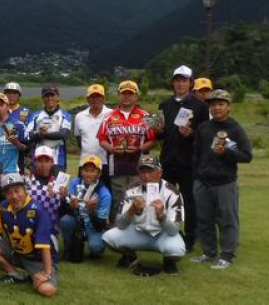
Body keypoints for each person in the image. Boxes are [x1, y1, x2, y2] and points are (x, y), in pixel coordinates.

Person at [190, 89, 253, 270]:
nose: (216, 108)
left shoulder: (234, 128)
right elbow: (196, 154)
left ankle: (227, 255)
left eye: (220, 104)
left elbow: (247, 156)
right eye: (212, 104)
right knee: (204, 219)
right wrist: (197, 176)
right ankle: (209, 253)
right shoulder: (203, 128)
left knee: (227, 219)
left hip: (225, 182)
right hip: (202, 182)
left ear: (228, 107)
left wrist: (226, 152)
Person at [155, 65, 209, 252]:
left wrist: (191, 133)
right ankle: (166, 232)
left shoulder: (200, 106)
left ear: (190, 83)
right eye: (177, 80)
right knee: (166, 199)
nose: (180, 83)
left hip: (189, 161)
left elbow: (205, 135)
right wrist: (157, 131)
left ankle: (190, 238)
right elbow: (161, 135)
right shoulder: (165, 105)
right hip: (168, 160)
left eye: (184, 80)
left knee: (189, 201)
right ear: (173, 82)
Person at [0, 173, 58, 297]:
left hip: (36, 259)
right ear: (4, 194)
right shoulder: (3, 207)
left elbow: (44, 246)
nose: (14, 196)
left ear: (25, 189)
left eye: (17, 191)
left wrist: (47, 273)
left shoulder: (38, 210)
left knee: (47, 290)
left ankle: (40, 273)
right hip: (16, 253)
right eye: (9, 193)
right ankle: (15, 274)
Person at [102, 155, 185, 275]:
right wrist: (131, 210)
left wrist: (161, 216)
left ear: (160, 172)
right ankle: (130, 257)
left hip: (162, 234)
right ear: (138, 173)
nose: (146, 176)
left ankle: (168, 261)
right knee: (108, 238)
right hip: (138, 232)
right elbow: (119, 224)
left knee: (177, 250)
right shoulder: (130, 190)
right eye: (143, 171)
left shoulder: (172, 193)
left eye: (150, 171)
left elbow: (174, 231)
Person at [98, 80, 156, 222]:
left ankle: (138, 232)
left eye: (130, 94)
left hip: (139, 167)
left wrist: (139, 149)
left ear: (136, 96)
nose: (127, 97)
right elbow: (101, 139)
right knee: (118, 200)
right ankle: (116, 234)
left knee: (139, 199)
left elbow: (152, 140)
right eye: (124, 93)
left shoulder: (146, 116)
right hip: (116, 166)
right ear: (119, 95)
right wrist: (111, 148)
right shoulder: (108, 117)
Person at [58, 155, 112, 261]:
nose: (88, 174)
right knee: (65, 220)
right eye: (85, 170)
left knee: (96, 248)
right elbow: (68, 210)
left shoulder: (105, 193)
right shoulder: (75, 182)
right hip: (78, 220)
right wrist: (71, 206)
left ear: (99, 174)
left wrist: (92, 211)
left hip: (94, 226)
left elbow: (100, 225)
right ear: (81, 171)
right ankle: (68, 249)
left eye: (92, 171)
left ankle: (98, 244)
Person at [24, 85, 72, 171]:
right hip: (38, 161)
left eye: (52, 95)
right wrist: (39, 134)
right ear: (43, 99)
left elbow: (64, 134)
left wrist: (44, 134)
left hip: (58, 162)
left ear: (57, 97)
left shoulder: (65, 115)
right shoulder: (35, 115)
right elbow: (27, 136)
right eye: (46, 96)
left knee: (57, 185)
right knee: (36, 185)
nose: (49, 98)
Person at [73, 84, 112, 179]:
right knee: (83, 193)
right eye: (92, 97)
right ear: (87, 99)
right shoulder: (79, 116)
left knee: (105, 192)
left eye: (98, 96)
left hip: (106, 163)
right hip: (85, 163)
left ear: (103, 98)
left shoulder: (112, 114)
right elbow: (79, 138)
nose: (95, 99)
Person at [0, 92, 27, 175]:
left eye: (1, 105)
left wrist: (16, 143)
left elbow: (25, 148)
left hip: (12, 170)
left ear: (7, 106)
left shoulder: (18, 125)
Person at [27, 146, 62, 236]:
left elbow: (64, 210)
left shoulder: (58, 183)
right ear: (34, 162)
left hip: (50, 230)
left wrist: (64, 198)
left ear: (52, 163)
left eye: (46, 161)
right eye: (40, 161)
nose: (43, 165)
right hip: (29, 229)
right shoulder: (26, 181)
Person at [4, 82, 31, 171]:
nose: (11, 95)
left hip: (18, 150)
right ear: (4, 95)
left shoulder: (24, 111)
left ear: (19, 95)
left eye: (14, 93)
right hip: (1, 149)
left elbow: (26, 134)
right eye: (8, 93)